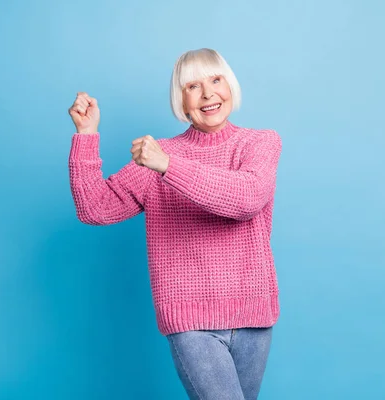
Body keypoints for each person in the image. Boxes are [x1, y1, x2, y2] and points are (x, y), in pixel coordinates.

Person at [67, 48, 282, 400]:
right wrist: (87, 135)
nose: (209, 93)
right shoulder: (156, 157)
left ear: (230, 86)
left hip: (254, 316)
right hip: (191, 322)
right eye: (193, 86)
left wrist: (169, 165)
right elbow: (95, 208)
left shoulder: (260, 143)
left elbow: (246, 200)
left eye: (216, 80)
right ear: (181, 99)